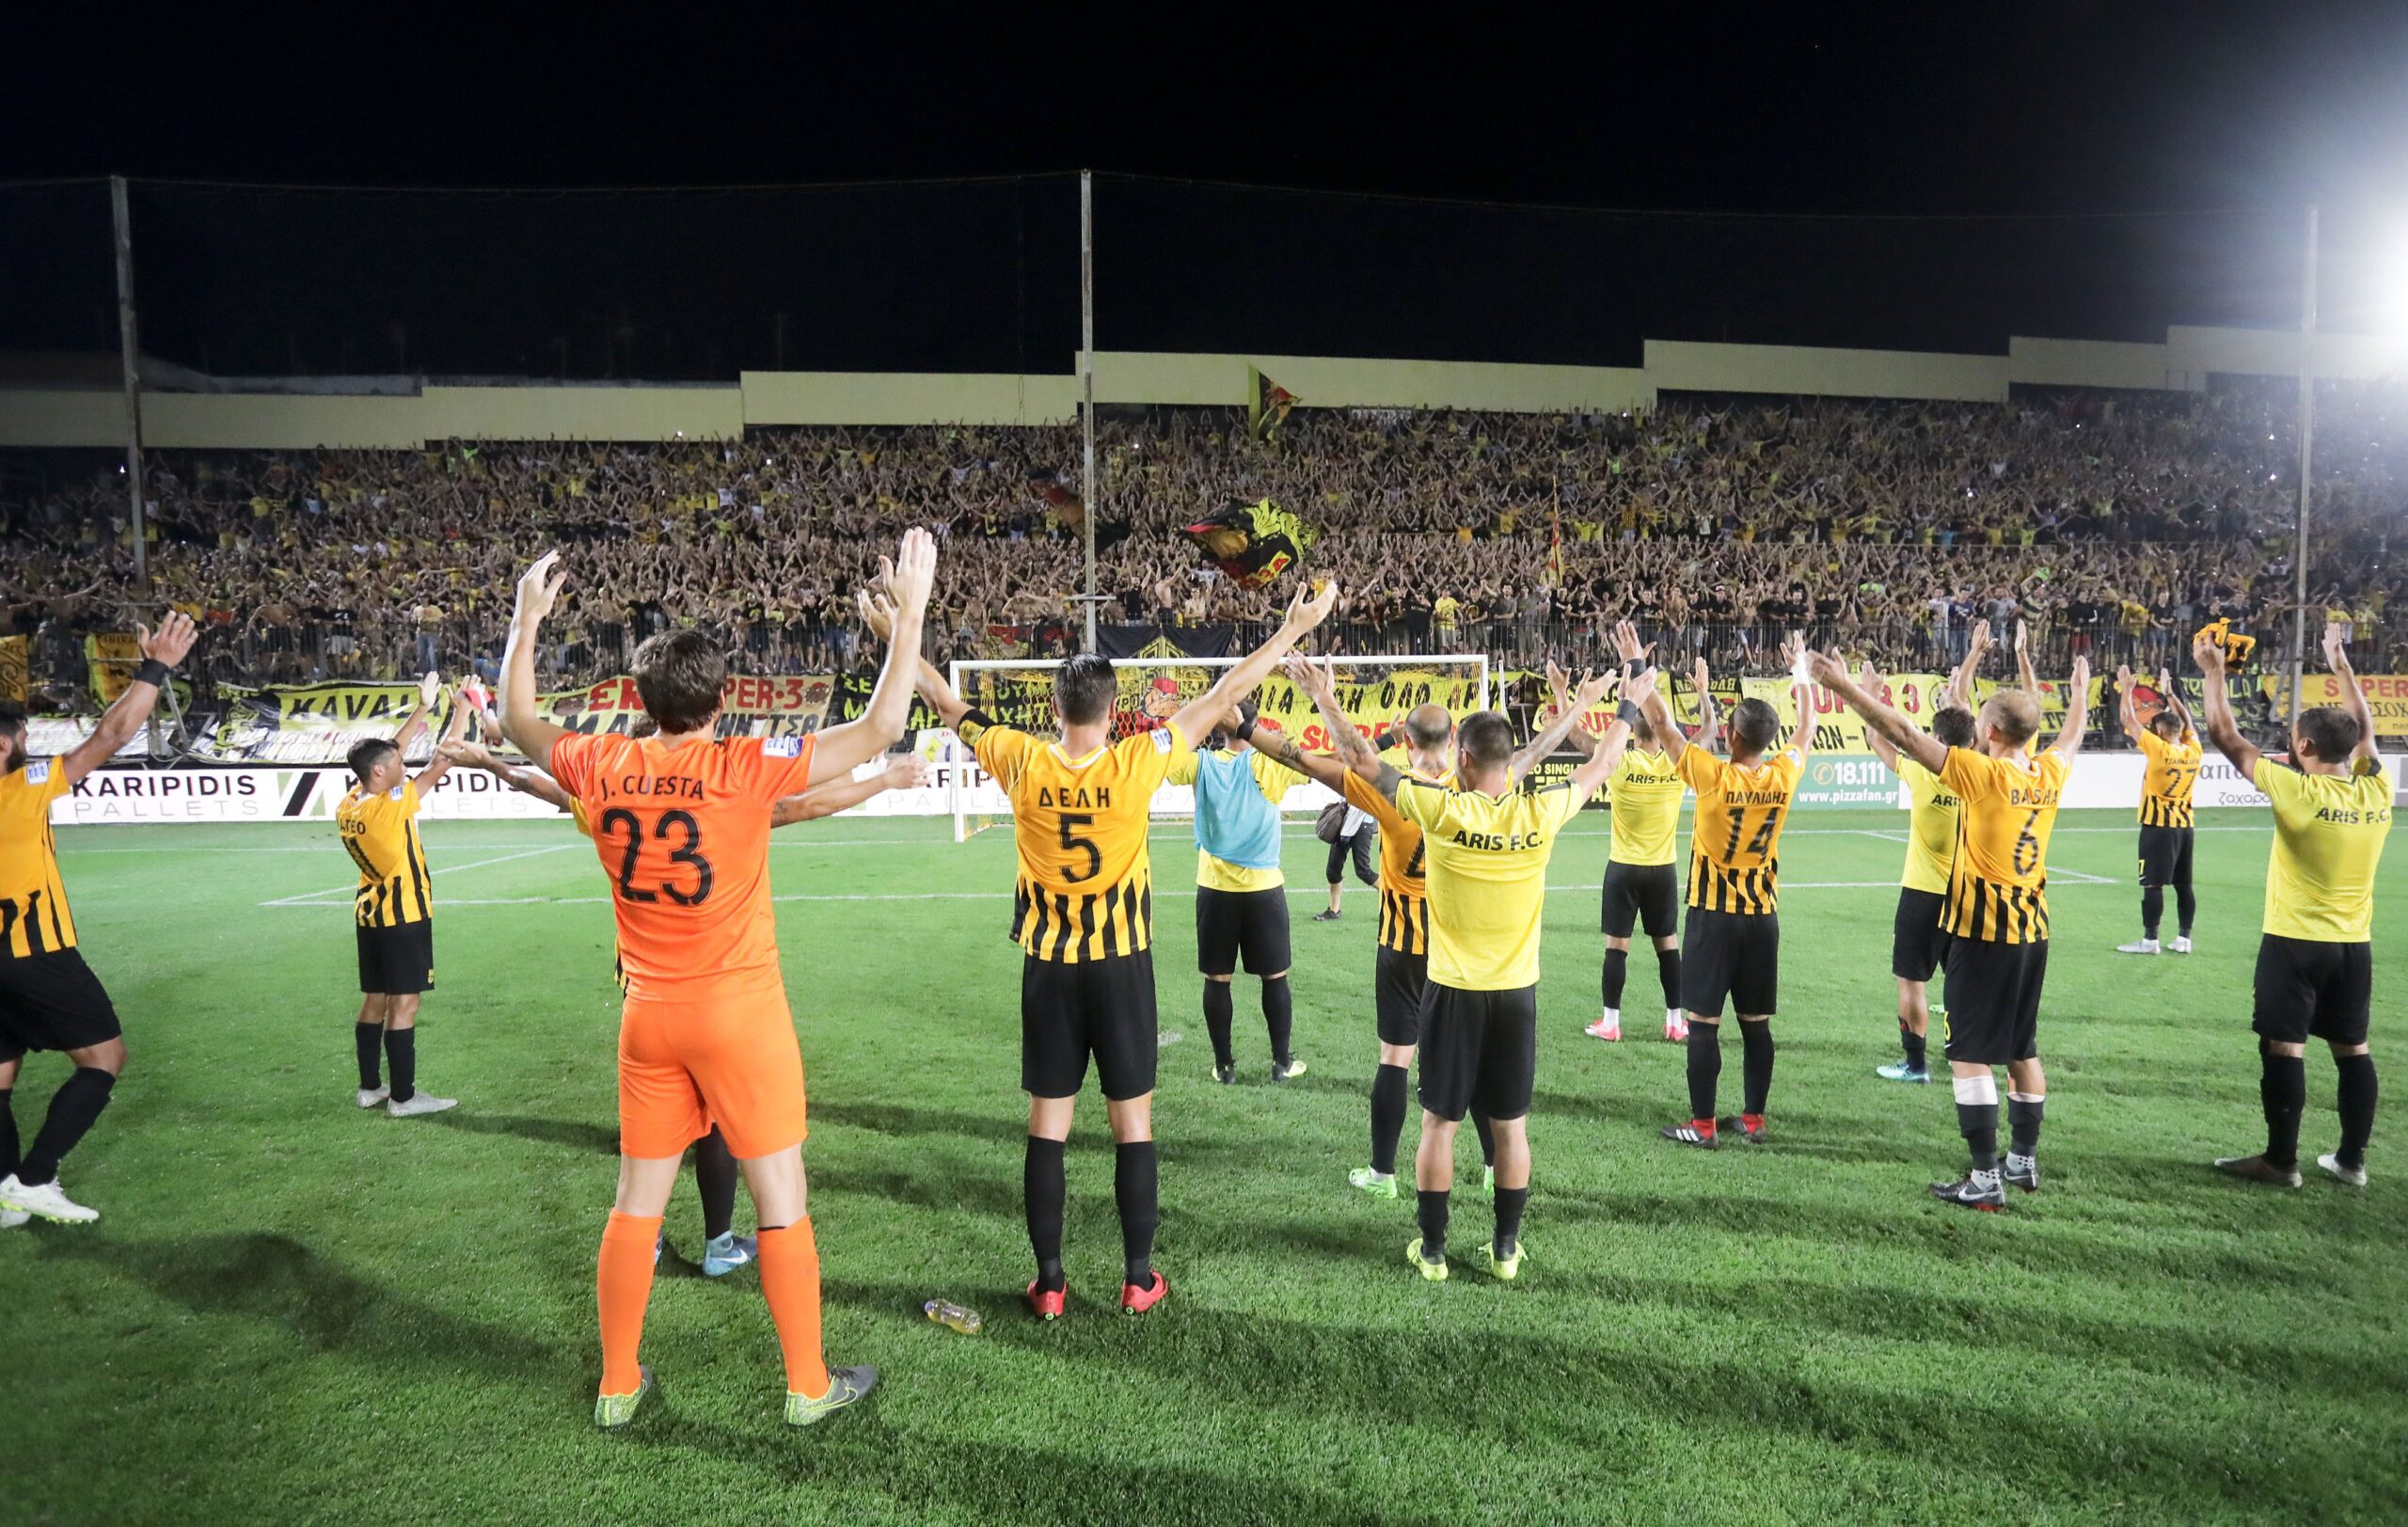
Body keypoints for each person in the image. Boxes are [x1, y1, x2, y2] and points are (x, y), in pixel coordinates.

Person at [499, 530, 935, 1431]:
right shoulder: (742, 767)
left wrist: (525, 618)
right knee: (781, 1197)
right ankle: (806, 1384)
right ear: (722, 700)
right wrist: (911, 619)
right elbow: (878, 730)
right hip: (740, 1015)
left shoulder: (603, 761)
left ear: (641, 701)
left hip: (647, 1016)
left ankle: (618, 1382)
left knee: (635, 1204)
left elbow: (517, 721)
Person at [896, 579, 1339, 1320]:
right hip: (1121, 966)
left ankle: (1050, 1283)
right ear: (1111, 711)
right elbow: (1225, 692)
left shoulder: (1020, 759)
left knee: (1048, 1126)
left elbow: (945, 702)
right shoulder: (1138, 758)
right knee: (1133, 1124)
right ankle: (1137, 1277)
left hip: (1050, 968)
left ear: (1055, 708)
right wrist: (1292, 628)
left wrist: (901, 632)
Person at [438, 733, 928, 1274]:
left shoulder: (611, 792)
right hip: (716, 990)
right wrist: (883, 779)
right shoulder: (721, 797)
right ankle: (719, 1244)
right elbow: (799, 806)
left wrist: (489, 762)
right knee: (720, 1127)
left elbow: (541, 785)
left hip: (646, 989)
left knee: (651, 1140)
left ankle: (647, 1237)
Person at [1259, 653, 1592, 1201]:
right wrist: (1576, 705)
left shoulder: (1398, 791)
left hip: (1402, 946)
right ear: (1456, 743)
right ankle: (1493, 1166)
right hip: (1458, 953)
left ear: (1408, 740)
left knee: (1395, 1057)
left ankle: (1382, 1173)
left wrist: (1256, 723)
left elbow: (1314, 761)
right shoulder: (1480, 789)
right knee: (1479, 1062)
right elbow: (1534, 751)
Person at [1350, 667, 1632, 1282]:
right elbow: (1604, 762)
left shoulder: (1441, 809)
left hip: (1452, 991)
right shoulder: (1540, 812)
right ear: (1508, 763)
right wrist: (1626, 703)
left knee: (1439, 1123)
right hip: (1515, 996)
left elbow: (1367, 766)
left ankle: (1432, 1251)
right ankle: (1505, 1251)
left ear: (1462, 757)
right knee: (1510, 1129)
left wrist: (1325, 698)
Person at [1813, 645, 2090, 1210]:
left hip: (1983, 931)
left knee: (1967, 1053)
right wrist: (2080, 695)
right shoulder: (2049, 771)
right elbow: (2072, 736)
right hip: (2033, 929)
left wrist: (1843, 688)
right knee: (2021, 1048)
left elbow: (1902, 734)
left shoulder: (1981, 774)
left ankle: (1985, 1178)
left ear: (1991, 731)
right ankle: (2023, 1161)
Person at [0, 613, 198, 1226]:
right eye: (20, 733)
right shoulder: (20, 787)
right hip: (35, 953)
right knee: (105, 1058)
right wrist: (156, 667)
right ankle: (36, 1177)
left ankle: (4, 1190)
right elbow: (110, 735)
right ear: (5, 744)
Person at [2195, 623, 2389, 1189]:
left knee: (2284, 1046)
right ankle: (2351, 1161)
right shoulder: (2375, 789)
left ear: (2303, 748)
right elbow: (2367, 730)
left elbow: (2225, 735)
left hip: (2295, 941)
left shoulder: (2298, 790)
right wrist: (2342, 666)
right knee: (2353, 1049)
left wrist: (2213, 672)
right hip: (2353, 945)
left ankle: (2281, 1162)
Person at [1642, 637, 1815, 1148]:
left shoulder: (1713, 778)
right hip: (1762, 918)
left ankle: (1702, 1127)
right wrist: (1800, 672)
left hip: (1713, 918)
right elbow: (1807, 728)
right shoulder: (1783, 775)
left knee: (1703, 1025)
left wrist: (1639, 670)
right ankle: (1754, 1120)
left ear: (1733, 736)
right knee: (1756, 1026)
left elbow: (1662, 726)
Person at [1563, 628, 1710, 1044]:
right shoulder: (1676, 766)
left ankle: (1611, 1022)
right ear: (1662, 736)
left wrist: (1579, 696)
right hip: (1662, 870)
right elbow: (1709, 732)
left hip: (1623, 869)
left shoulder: (1621, 765)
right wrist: (1702, 694)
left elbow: (1578, 737)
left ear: (1633, 733)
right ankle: (1676, 1021)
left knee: (1617, 947)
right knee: (1668, 947)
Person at [336, 670, 469, 1120]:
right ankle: (405, 1098)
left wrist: (423, 709)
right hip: (403, 914)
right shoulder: (391, 808)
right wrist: (462, 711)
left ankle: (370, 1088)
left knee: (375, 998)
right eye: (396, 764)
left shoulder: (353, 802)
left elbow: (390, 751)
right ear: (380, 772)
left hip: (370, 914)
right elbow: (441, 763)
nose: (404, 766)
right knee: (405, 1003)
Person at [1860, 623, 1988, 1083]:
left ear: (1935, 739)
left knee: (1912, 981)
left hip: (1922, 893)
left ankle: (1916, 1065)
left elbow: (1878, 738)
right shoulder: (1985, 773)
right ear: (1974, 741)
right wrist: (1972, 659)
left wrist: (1870, 693)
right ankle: (1967, 1058)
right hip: (1969, 894)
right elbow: (1967, 717)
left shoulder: (1922, 773)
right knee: (1965, 981)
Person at [1167, 699, 1310, 1083]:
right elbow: (1320, 764)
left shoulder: (1200, 764)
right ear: (1256, 724)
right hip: (1264, 890)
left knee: (1217, 979)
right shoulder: (1271, 763)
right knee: (1275, 977)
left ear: (1218, 727)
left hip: (1215, 890)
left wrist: (1195, 716)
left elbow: (1166, 753)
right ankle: (1281, 1063)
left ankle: (1225, 1066)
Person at [2115, 663, 2202, 956]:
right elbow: (2188, 722)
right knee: (2184, 886)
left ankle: (2150, 940)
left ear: (2161, 731)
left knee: (2153, 884)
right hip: (2185, 827)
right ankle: (2184, 939)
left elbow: (2128, 719)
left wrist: (2126, 690)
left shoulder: (2159, 749)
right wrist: (2170, 695)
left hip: (2158, 828)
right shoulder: (2194, 751)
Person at [1315, 798, 1378, 922]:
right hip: (1346, 819)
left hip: (1363, 822)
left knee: (1364, 871)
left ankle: (1392, 901)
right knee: (1333, 870)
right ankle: (1334, 910)